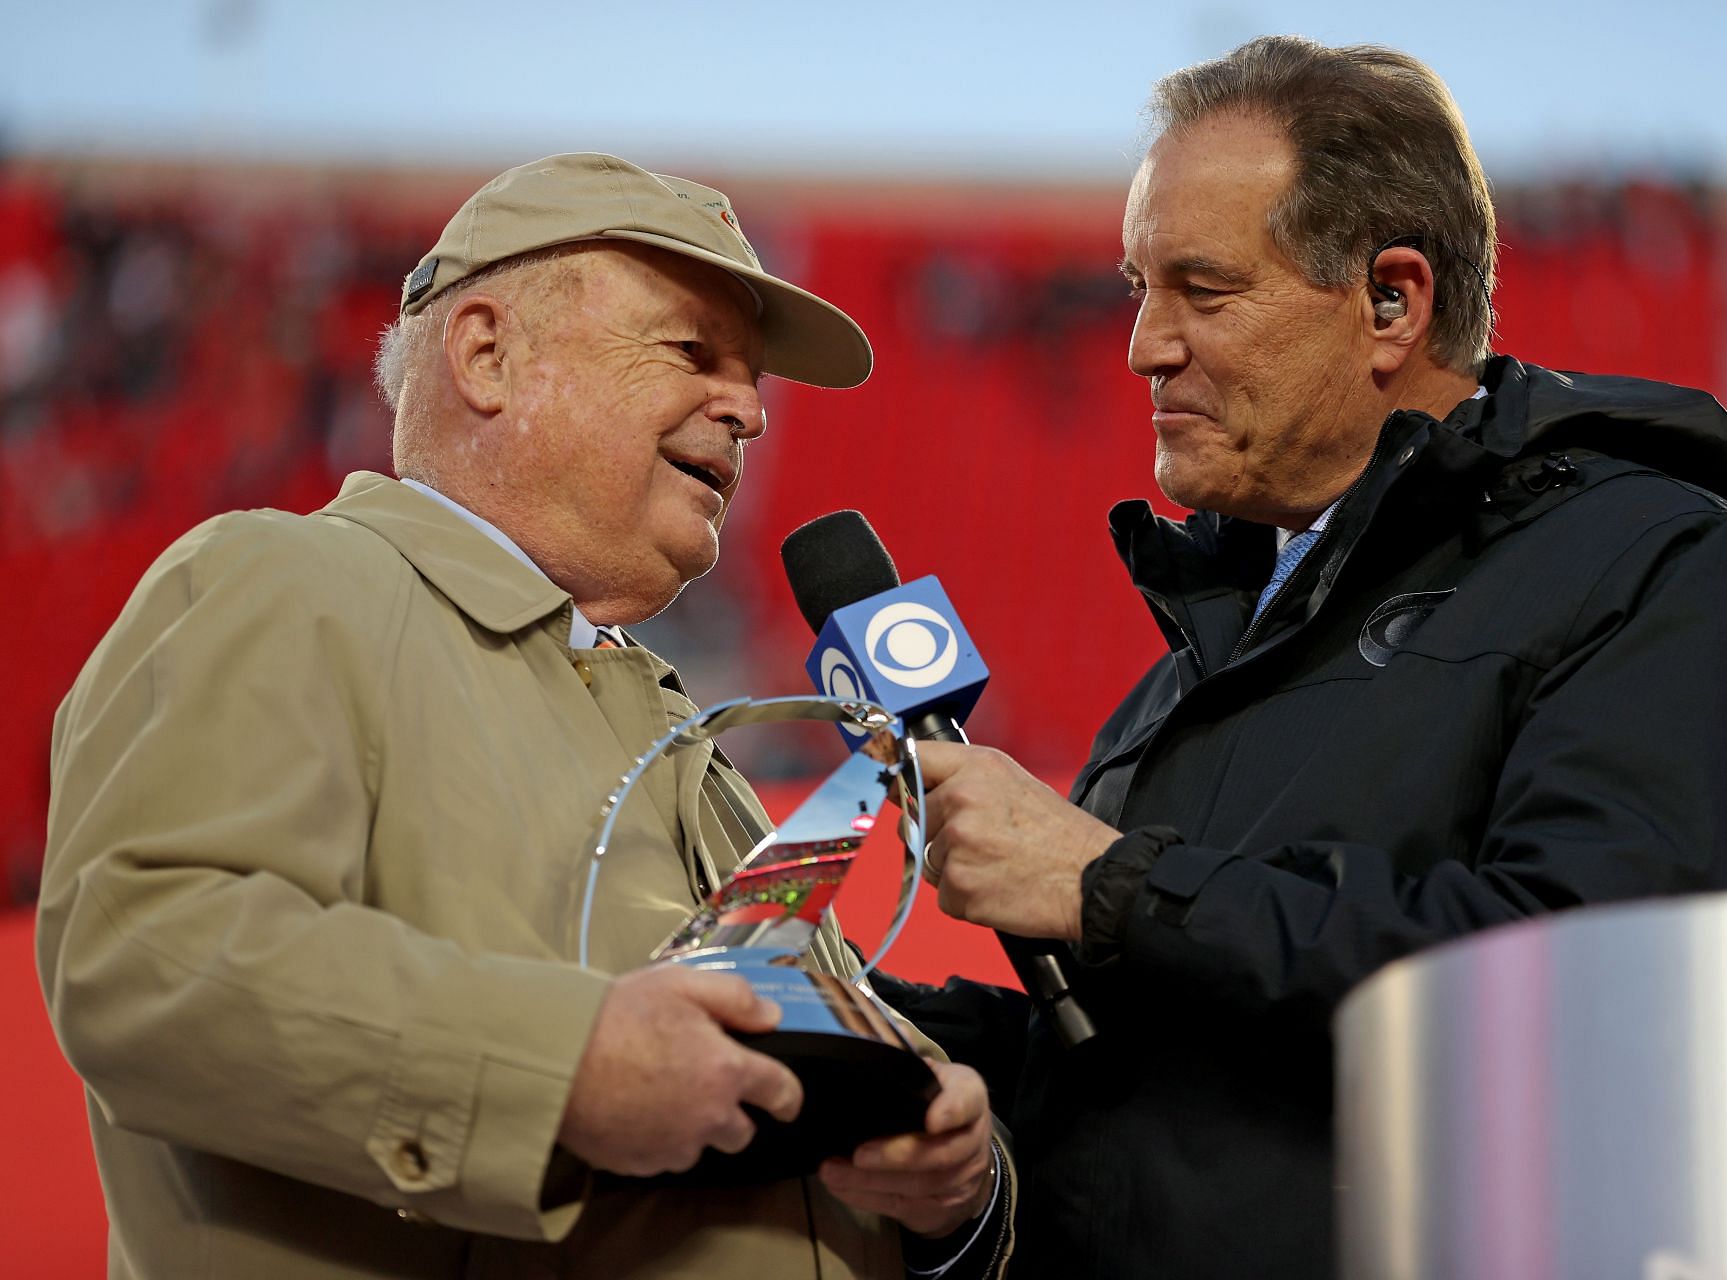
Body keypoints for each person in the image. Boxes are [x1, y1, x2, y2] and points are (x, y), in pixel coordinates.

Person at [877, 37, 1727, 1278]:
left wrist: (1118, 889)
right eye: (1136, 287)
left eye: (1203, 291)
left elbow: (1602, 1010)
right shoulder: (1208, 650)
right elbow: (1164, 1080)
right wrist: (872, 1028)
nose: (1142, 346)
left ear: (1393, 302)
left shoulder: (1658, 569)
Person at [37, 153, 1010, 1279]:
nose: (748, 408)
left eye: (751, 379)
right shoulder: (281, 582)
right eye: (692, 351)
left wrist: (960, 1192)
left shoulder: (687, 740)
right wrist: (567, 1068)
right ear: (489, 356)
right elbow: (151, 957)